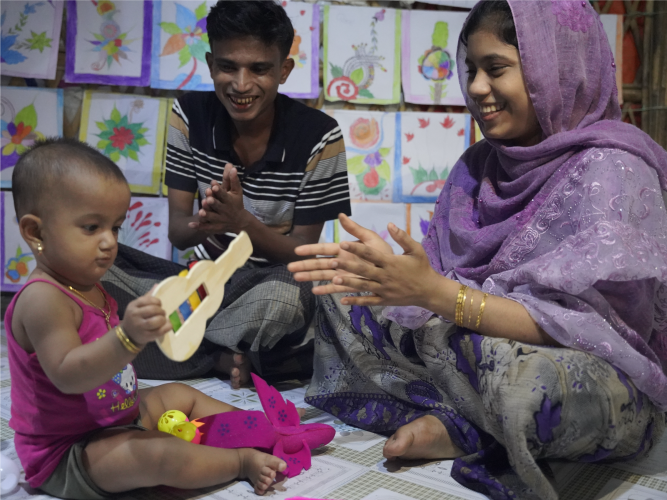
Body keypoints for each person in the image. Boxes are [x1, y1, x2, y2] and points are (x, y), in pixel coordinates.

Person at [287, 0, 667, 498]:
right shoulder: (477, 165)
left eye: (496, 69)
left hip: (578, 367)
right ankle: (461, 418)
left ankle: (464, 423)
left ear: (554, 70)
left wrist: (438, 296)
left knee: (531, 389)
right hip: (471, 345)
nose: (477, 88)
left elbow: (594, 330)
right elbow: (438, 283)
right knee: (340, 301)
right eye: (471, 70)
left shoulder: (612, 168)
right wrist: (391, 278)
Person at [7, 138, 287, 499]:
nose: (109, 242)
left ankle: (265, 431)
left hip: (118, 414)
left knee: (181, 394)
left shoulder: (89, 283)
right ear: (36, 232)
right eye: (92, 228)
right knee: (156, 456)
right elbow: (68, 375)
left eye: (116, 227)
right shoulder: (43, 299)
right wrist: (127, 336)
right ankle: (239, 461)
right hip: (69, 451)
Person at [102, 0, 350, 388]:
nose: (241, 84)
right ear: (210, 63)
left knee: (291, 298)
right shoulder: (189, 115)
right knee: (99, 268)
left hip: (266, 285)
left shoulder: (320, 135)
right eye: (228, 66)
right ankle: (224, 358)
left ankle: (178, 341)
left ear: (284, 70)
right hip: (196, 283)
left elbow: (303, 252)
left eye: (259, 69)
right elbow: (178, 234)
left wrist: (242, 222)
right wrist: (210, 220)